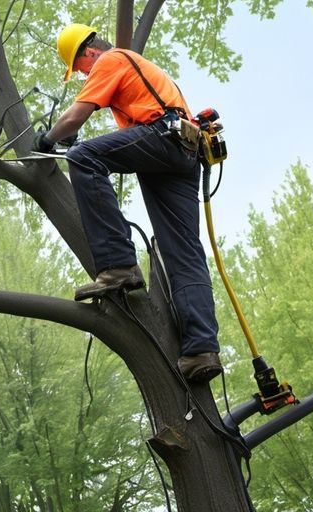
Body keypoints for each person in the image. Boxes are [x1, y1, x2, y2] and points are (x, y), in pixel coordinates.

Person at [33, 23, 222, 383]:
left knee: (84, 158)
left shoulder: (112, 59)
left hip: (163, 138)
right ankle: (201, 350)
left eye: (82, 70)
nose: (85, 76)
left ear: (88, 53)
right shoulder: (138, 75)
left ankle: (118, 265)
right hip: (184, 151)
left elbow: (77, 114)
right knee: (182, 250)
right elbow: (127, 140)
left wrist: (49, 138)